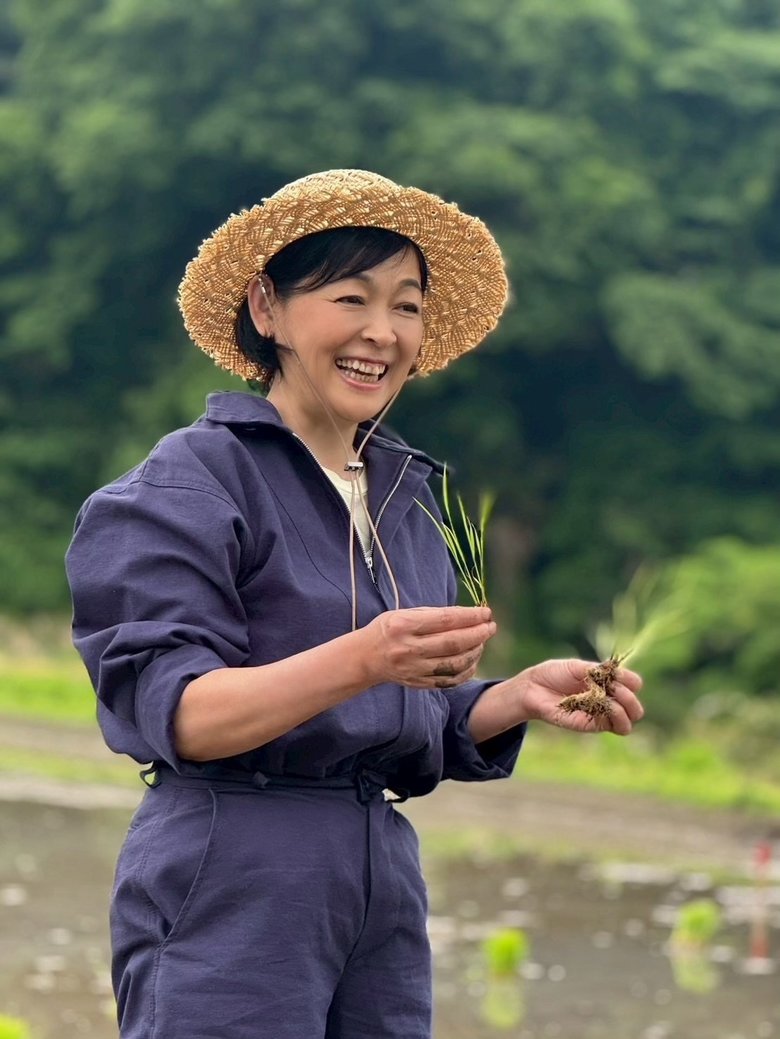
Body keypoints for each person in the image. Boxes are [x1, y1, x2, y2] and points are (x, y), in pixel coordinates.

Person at [65, 169, 643, 1039]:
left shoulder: (410, 496)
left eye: (407, 306)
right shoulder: (187, 486)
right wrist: (367, 655)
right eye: (351, 297)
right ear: (267, 308)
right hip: (236, 871)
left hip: (379, 882)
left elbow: (402, 716)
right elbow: (180, 713)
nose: (382, 332)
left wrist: (510, 697)